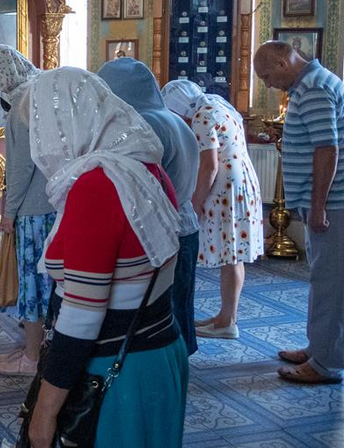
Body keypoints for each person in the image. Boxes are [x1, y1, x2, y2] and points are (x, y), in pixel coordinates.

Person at [25, 68, 187, 448]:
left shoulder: (96, 186)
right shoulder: (146, 168)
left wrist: (44, 412)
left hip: (115, 374)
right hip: (159, 356)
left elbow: (82, 316)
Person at [254, 40, 344, 384]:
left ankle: (326, 363)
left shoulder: (316, 88)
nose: (267, 84)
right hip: (326, 201)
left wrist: (319, 204)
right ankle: (319, 347)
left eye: (266, 76)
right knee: (323, 278)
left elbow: (327, 149)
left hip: (333, 203)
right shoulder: (311, 84)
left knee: (331, 283)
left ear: (281, 62)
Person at [98, 57, 201, 355]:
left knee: (161, 313)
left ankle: (169, 369)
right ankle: (180, 363)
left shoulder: (144, 124)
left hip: (162, 232)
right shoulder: (171, 118)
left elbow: (139, 186)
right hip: (185, 226)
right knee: (181, 302)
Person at [161, 80, 263, 340]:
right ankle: (225, 316)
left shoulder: (201, 117)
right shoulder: (217, 104)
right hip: (241, 184)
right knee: (233, 255)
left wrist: (194, 205)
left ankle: (228, 321)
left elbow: (209, 166)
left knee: (231, 255)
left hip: (225, 191)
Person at [0, 44, 54, 377]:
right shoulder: (41, 91)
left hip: (34, 209)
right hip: (54, 203)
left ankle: (32, 358)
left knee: (33, 285)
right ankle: (42, 349)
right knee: (51, 281)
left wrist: (8, 212)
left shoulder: (23, 103)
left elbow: (21, 166)